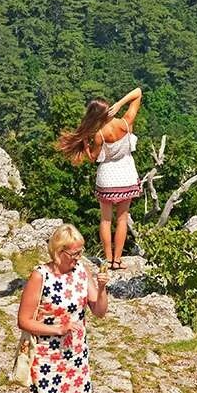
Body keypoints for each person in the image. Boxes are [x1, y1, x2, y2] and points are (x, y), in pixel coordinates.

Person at [16, 224, 109, 393]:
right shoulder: (40, 276)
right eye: (74, 253)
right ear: (58, 251)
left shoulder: (81, 270)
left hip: (75, 350)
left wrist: (101, 289)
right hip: (47, 352)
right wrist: (57, 328)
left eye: (80, 252)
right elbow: (24, 320)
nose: (78, 258)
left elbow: (99, 311)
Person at [57, 87, 143, 270]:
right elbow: (138, 93)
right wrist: (120, 104)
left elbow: (93, 158)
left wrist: (86, 146)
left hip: (107, 179)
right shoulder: (126, 123)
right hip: (127, 175)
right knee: (122, 219)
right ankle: (118, 260)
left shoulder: (99, 135)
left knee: (105, 220)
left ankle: (108, 259)